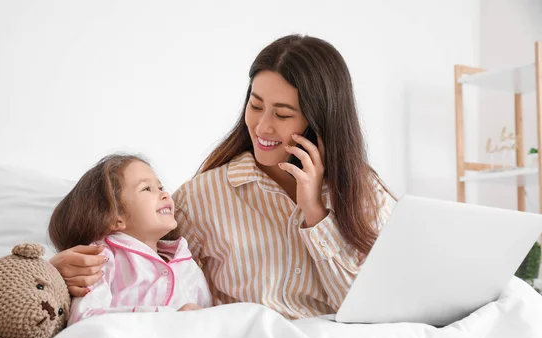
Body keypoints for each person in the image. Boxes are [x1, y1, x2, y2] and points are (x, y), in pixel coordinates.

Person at [50, 34, 395, 320]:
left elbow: (373, 314)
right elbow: (134, 259)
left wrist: (315, 215)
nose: (262, 126)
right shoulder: (205, 196)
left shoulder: (366, 195)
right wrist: (58, 272)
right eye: (256, 105)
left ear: (320, 121)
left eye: (283, 114)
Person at [48, 154, 212, 325]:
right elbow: (84, 319)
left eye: (160, 187)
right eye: (147, 189)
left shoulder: (188, 265)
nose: (165, 194)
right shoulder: (101, 258)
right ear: (115, 217)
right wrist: (166, 317)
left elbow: (213, 320)